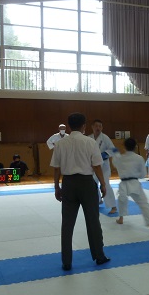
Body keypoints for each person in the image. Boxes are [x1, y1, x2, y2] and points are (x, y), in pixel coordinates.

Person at [50, 112, 110, 271]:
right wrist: (103, 184)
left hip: (68, 184)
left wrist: (57, 187)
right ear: (84, 126)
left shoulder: (60, 144)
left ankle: (66, 261)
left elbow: (56, 168)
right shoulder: (90, 142)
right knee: (93, 221)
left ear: (69, 126)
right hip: (86, 184)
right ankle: (99, 256)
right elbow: (97, 166)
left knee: (67, 224)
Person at [112, 137, 149, 233]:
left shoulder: (120, 158)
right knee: (144, 203)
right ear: (135, 147)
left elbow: (115, 161)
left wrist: (115, 153)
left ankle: (121, 218)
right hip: (134, 183)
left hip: (123, 184)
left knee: (122, 200)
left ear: (124, 147)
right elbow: (143, 174)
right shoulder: (139, 158)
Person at [88, 119, 118, 214]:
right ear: (92, 127)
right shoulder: (88, 138)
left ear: (102, 128)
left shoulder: (105, 138)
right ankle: (98, 200)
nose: (98, 128)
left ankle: (113, 206)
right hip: (92, 165)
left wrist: (104, 154)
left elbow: (114, 150)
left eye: (100, 126)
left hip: (104, 165)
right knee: (92, 184)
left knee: (105, 184)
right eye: (96, 126)